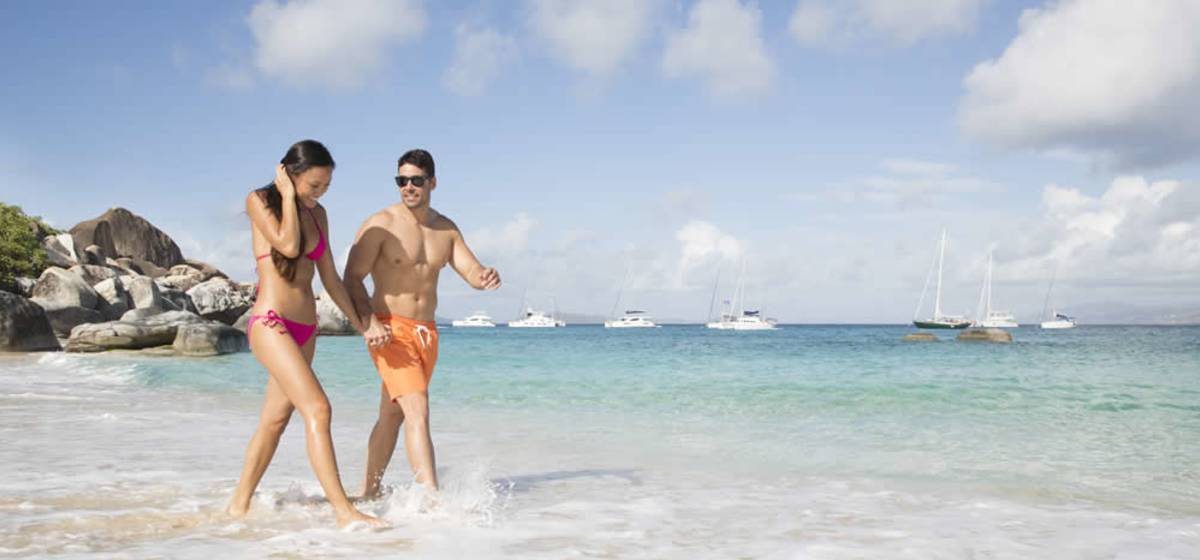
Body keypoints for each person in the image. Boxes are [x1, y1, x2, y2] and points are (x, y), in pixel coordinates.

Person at [227, 139, 384, 528]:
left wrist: (361, 323)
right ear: (289, 174)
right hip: (271, 323)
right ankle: (344, 512)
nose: (319, 194)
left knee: (275, 420)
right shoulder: (259, 200)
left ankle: (237, 507)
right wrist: (284, 194)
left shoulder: (320, 215)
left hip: (306, 328)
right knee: (319, 408)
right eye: (313, 186)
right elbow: (288, 243)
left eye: (326, 186)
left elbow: (330, 278)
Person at [345, 148, 500, 498]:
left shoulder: (445, 229)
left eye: (416, 180)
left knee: (393, 414)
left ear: (432, 182)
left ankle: (369, 493)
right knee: (417, 407)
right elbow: (351, 278)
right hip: (389, 329)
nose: (408, 187)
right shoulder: (380, 224)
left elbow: (471, 272)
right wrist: (368, 323)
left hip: (426, 334)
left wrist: (485, 275)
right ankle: (431, 499)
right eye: (402, 180)